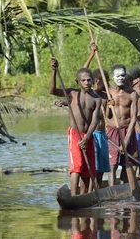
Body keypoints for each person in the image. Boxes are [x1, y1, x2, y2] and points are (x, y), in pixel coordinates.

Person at [49, 59, 101, 195]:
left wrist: (88, 136)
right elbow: (52, 90)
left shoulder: (96, 98)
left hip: (88, 135)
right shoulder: (72, 94)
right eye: (83, 80)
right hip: (75, 134)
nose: (86, 83)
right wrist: (54, 71)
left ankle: (83, 196)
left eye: (89, 80)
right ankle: (73, 196)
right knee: (76, 166)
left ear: (93, 81)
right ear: (78, 82)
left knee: (87, 169)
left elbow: (95, 120)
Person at [82, 44, 110, 186]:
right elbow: (83, 71)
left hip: (103, 134)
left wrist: (110, 106)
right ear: (97, 81)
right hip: (92, 134)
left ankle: (99, 186)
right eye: (104, 83)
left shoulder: (106, 97)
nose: (106, 86)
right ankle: (91, 188)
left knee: (103, 165)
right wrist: (92, 54)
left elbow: (109, 116)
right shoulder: (90, 94)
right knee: (93, 164)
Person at [106, 64, 139, 186]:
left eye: (122, 75)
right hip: (113, 130)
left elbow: (133, 117)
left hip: (127, 129)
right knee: (112, 164)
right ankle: (112, 191)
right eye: (117, 76)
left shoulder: (132, 94)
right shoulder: (108, 90)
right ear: (113, 77)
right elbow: (106, 114)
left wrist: (126, 139)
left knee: (130, 161)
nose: (120, 78)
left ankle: (126, 186)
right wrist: (108, 105)